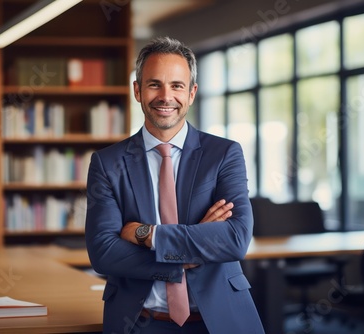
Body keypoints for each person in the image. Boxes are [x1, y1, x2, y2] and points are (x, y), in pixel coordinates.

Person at [85, 36, 264, 334]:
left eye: (177, 85)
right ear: (137, 90)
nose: (165, 96)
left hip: (219, 320)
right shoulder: (107, 163)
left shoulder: (225, 154)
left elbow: (235, 239)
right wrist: (185, 258)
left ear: (192, 93)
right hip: (139, 321)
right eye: (154, 84)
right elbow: (103, 251)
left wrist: (147, 234)